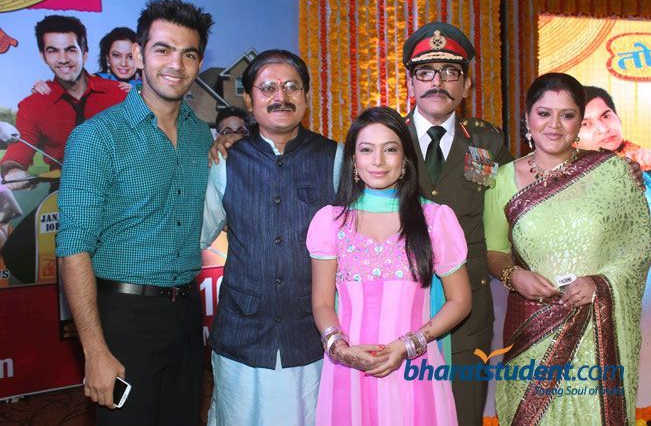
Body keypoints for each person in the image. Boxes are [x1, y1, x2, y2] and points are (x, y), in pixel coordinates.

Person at [56, 0, 214, 425]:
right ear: (140, 55)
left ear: (199, 64)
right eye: (163, 49)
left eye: (189, 54)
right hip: (122, 319)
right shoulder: (97, 137)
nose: (176, 64)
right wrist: (94, 351)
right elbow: (72, 249)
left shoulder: (201, 137)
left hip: (187, 316)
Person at [484, 73, 651, 425]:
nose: (554, 125)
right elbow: (492, 251)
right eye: (544, 113)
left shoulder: (611, 172)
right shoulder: (499, 180)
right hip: (531, 321)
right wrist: (514, 275)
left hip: (595, 324)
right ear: (527, 118)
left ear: (579, 122)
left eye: (567, 115)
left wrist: (600, 284)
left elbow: (640, 244)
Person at [201, 49, 343, 425]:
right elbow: (197, 235)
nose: (281, 96)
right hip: (243, 334)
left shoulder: (335, 158)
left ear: (307, 97)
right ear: (249, 101)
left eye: (291, 87)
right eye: (267, 88)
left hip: (311, 335)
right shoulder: (226, 161)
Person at [308, 106, 472, 425]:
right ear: (354, 160)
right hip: (349, 368)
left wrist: (407, 346)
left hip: (415, 365)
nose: (378, 161)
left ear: (405, 159)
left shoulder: (434, 218)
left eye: (390, 149)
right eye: (366, 150)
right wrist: (339, 348)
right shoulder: (331, 221)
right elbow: (322, 303)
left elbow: (461, 300)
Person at [401, 21, 513, 424]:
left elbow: (521, 200)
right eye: (425, 72)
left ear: (466, 86)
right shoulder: (386, 140)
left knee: (464, 414)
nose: (438, 82)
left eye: (450, 72)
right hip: (401, 308)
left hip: (469, 313)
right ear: (410, 83)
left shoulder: (486, 142)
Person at [1, 15, 125, 188]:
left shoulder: (120, 94)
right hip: (61, 195)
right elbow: (16, 157)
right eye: (53, 51)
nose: (63, 59)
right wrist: (13, 171)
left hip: (120, 192)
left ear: (85, 53)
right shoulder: (33, 106)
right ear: (43, 56)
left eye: (71, 50)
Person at [576, 86, 651, 247]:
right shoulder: (587, 181)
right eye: (586, 124)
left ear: (618, 118)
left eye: (606, 116)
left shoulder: (643, 161)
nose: (604, 128)